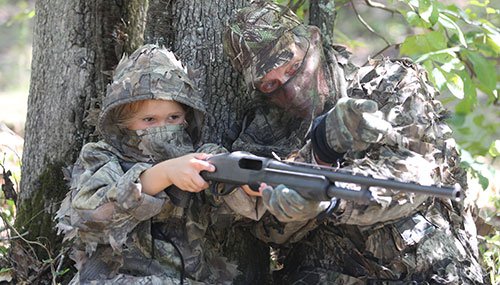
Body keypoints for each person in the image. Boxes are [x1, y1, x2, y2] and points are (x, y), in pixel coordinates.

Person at [223, 1, 485, 284]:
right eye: (271, 84)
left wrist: (332, 199)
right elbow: (264, 226)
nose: (293, 88)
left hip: (429, 272)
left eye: (295, 67)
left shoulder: (390, 85)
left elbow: (416, 177)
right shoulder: (263, 136)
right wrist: (311, 166)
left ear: (315, 41)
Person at [55, 44, 267, 284]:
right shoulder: (100, 157)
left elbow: (236, 196)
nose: (163, 127)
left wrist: (248, 187)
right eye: (149, 120)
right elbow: (88, 218)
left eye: (173, 118)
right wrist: (163, 174)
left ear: (187, 118)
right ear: (123, 123)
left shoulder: (201, 157)